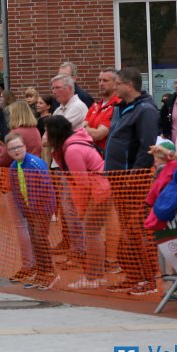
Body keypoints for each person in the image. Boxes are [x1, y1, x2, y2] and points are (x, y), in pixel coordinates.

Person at [104, 68, 161, 296]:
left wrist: (134, 176)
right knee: (128, 230)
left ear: (129, 85)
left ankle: (148, 278)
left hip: (133, 180)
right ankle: (134, 276)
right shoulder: (124, 108)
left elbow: (147, 146)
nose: (114, 87)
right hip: (119, 178)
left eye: (117, 83)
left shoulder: (145, 110)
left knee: (138, 229)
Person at [44, 116, 110, 289]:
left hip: (98, 191)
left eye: (46, 131)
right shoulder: (71, 146)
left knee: (91, 232)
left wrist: (82, 209)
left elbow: (82, 183)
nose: (44, 135)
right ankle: (96, 275)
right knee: (92, 232)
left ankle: (93, 277)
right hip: (99, 188)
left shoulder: (72, 150)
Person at [4, 131, 56, 290]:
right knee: (34, 240)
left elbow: (47, 188)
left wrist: (45, 210)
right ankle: (41, 272)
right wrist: (24, 210)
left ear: (25, 146)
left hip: (42, 209)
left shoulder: (35, 163)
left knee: (40, 238)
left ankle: (50, 273)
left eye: (19, 147)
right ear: (8, 151)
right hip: (29, 209)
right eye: (12, 148)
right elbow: (16, 190)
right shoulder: (13, 167)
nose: (16, 151)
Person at [83, 69, 121, 152]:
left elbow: (98, 135)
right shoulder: (95, 105)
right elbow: (81, 129)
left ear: (116, 83)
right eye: (99, 80)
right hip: (91, 154)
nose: (101, 84)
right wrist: (87, 129)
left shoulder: (117, 106)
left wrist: (85, 127)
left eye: (105, 81)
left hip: (105, 155)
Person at [159, 72, 177, 141]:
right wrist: (164, 134)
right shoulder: (169, 103)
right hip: (173, 146)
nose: (176, 86)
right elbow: (160, 123)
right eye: (175, 83)